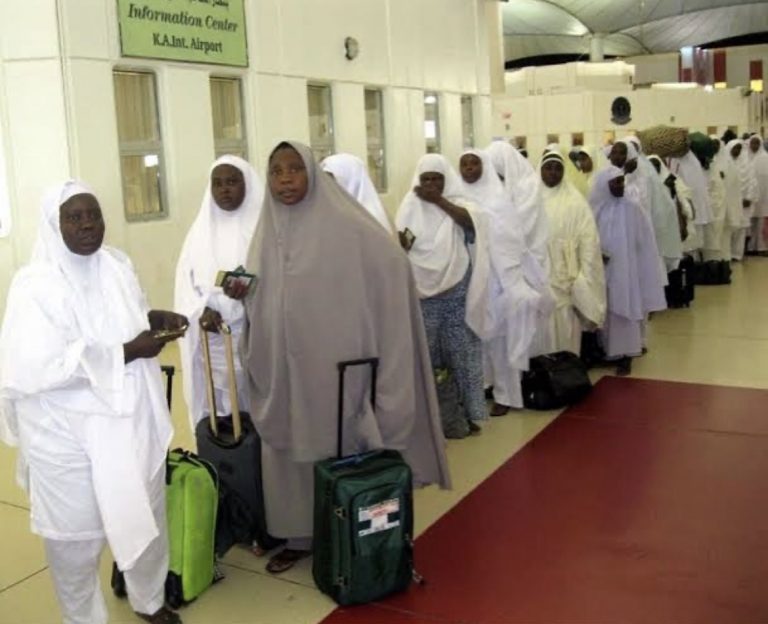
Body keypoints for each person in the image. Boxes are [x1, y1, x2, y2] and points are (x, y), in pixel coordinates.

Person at [231, 141, 451, 575]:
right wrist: (243, 295)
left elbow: (392, 264)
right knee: (291, 452)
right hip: (284, 369)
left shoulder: (348, 227)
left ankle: (347, 526)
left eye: (295, 169)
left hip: (333, 369)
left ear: (313, 174)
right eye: (277, 171)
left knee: (336, 448)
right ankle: (297, 534)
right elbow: (262, 292)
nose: (286, 179)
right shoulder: (266, 231)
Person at [0, 181, 187, 624]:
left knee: (144, 511)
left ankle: (150, 600)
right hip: (63, 433)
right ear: (55, 224)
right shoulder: (34, 286)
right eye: (74, 217)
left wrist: (152, 320)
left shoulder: (116, 265)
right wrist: (127, 351)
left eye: (93, 215)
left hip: (127, 422)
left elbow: (128, 320)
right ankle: (82, 617)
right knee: (75, 537)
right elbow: (41, 366)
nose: (87, 225)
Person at [397, 153, 492, 431]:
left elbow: (472, 224)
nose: (430, 184)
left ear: (446, 179)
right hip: (421, 294)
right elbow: (402, 240)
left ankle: (467, 414)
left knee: (461, 354)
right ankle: (434, 417)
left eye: (436, 179)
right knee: (427, 355)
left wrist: (438, 201)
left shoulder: (459, 202)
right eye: (425, 179)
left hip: (455, 290)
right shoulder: (409, 204)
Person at [457, 149, 550, 416]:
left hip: (499, 277)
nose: (470, 169)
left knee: (500, 338)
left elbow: (512, 241)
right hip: (471, 277)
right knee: (477, 337)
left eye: (476, 163)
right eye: (465, 164)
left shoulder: (499, 201)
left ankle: (506, 395)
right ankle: (485, 385)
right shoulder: (457, 196)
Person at [175, 155, 263, 435]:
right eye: (218, 183)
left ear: (247, 184)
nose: (225, 190)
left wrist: (252, 294)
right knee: (219, 403)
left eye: (232, 182)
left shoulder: (263, 229)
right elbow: (184, 286)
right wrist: (201, 311)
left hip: (254, 332)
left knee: (255, 400)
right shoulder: (199, 232)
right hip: (212, 337)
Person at [589, 167, 667, 376]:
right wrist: (597, 254)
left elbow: (645, 242)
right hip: (602, 269)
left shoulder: (633, 209)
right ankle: (606, 351)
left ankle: (626, 354)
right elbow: (588, 238)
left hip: (627, 270)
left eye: (621, 181)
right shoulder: (596, 209)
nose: (620, 186)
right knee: (605, 308)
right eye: (615, 182)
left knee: (625, 308)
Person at [536, 150, 606, 355]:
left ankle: (568, 377)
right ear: (540, 170)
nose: (553, 173)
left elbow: (589, 242)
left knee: (567, 331)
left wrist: (584, 277)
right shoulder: (529, 201)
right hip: (539, 276)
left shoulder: (576, 202)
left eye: (558, 168)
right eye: (548, 168)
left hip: (568, 277)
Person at [321, 153, 393, 234]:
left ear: (351, 181)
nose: (328, 186)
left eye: (332, 180)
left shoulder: (374, 220)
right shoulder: (332, 212)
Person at [726, 139, 758, 261]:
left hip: (744, 202)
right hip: (729, 202)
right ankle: (727, 254)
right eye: (735, 148)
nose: (737, 151)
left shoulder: (746, 164)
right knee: (730, 228)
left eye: (739, 148)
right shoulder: (724, 163)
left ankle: (737, 254)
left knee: (741, 229)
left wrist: (749, 198)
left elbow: (752, 182)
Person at [746, 134, 768, 255]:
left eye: (757, 143)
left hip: (764, 196)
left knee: (761, 223)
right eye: (752, 143)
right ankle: (750, 248)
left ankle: (762, 248)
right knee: (750, 222)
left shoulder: (765, 158)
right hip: (749, 196)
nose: (754, 146)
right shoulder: (745, 157)